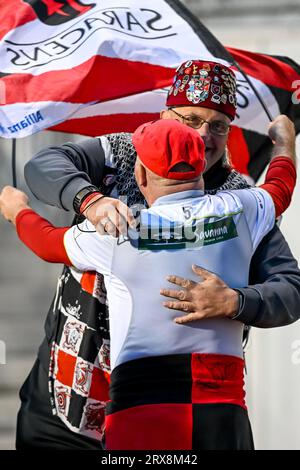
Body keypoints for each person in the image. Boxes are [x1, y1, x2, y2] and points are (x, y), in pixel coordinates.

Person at [16, 59, 299, 449]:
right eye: (192, 119)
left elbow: (289, 291)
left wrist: (237, 301)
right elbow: (44, 165)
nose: (203, 136)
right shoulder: (121, 151)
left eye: (218, 125)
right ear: (165, 115)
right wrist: (89, 199)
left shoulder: (240, 198)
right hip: (69, 398)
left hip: (176, 407)